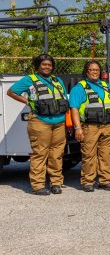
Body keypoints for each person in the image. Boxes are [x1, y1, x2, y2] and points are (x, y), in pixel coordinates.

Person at [6, 54, 69, 195]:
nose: (47, 67)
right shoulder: (30, 79)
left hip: (59, 122)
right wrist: (27, 101)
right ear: (38, 66)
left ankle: (56, 182)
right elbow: (11, 92)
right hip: (40, 121)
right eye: (44, 64)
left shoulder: (57, 80)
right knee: (40, 154)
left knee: (57, 154)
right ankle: (38, 185)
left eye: (49, 65)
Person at [69, 60, 110, 192]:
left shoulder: (106, 86)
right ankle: (88, 182)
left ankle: (104, 181)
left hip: (107, 126)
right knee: (89, 155)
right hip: (89, 127)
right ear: (86, 71)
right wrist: (77, 128)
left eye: (97, 70)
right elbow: (74, 109)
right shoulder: (79, 88)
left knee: (105, 155)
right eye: (92, 69)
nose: (95, 72)